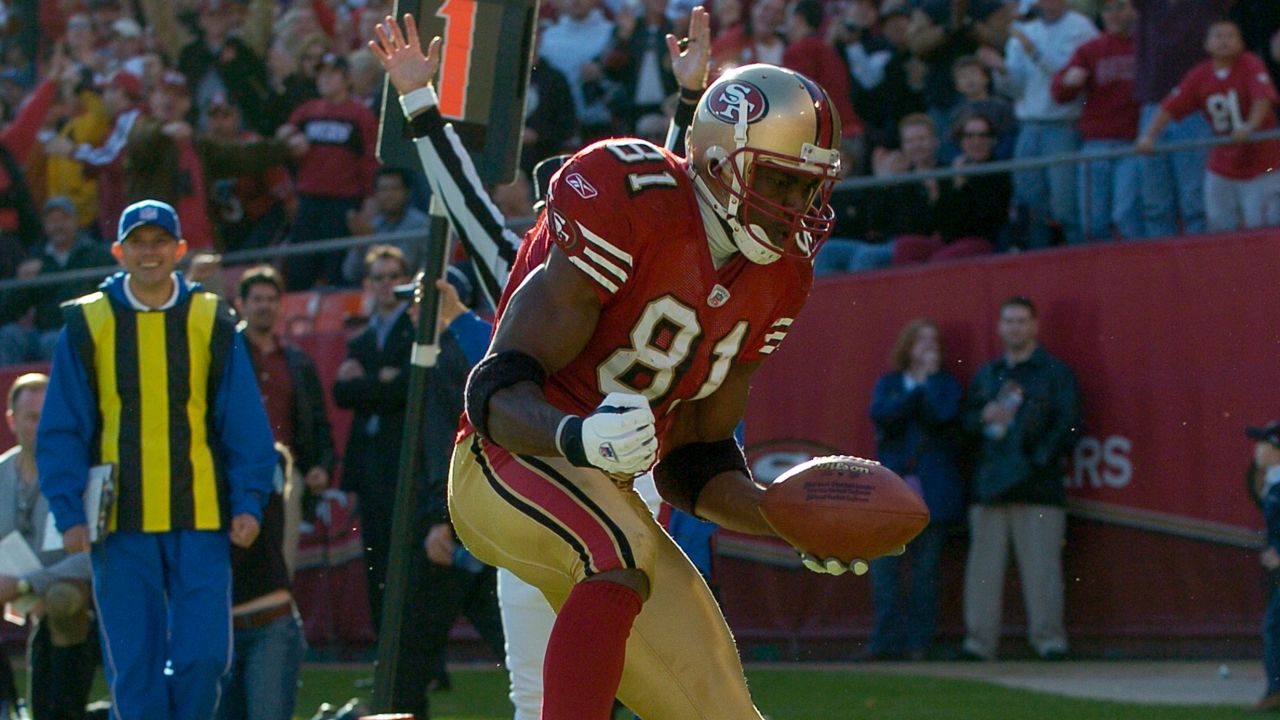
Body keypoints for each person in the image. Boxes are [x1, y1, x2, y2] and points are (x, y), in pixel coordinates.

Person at [370, 11, 853, 719]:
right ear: (719, 165)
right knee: (604, 569)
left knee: (725, 710)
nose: (795, 209)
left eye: (808, 190)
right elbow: (495, 392)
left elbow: (697, 465)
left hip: (621, 492)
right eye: (780, 183)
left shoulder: (780, 280)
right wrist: (578, 438)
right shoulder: (622, 208)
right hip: (511, 461)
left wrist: (788, 521)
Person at [36, 198, 278, 720]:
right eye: (138, 244)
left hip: (202, 515)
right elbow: (62, 426)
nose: (150, 253)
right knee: (134, 663)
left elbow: (243, 421)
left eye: (160, 243)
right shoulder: (88, 322)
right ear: (119, 251)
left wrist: (250, 500)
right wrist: (68, 511)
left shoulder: (211, 319)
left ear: (180, 250)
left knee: (204, 656)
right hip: (119, 521)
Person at [394, 277, 505, 718]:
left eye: (418, 301)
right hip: (477, 516)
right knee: (511, 634)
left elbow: (447, 445)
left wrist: (440, 517)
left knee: (409, 656)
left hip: (453, 524)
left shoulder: (444, 358)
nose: (408, 312)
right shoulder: (459, 355)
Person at [960, 296, 1081, 662]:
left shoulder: (1055, 373)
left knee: (1042, 571)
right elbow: (964, 426)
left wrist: (1037, 459)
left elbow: (1070, 424)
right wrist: (984, 416)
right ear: (1000, 327)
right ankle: (979, 644)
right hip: (991, 486)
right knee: (983, 573)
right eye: (1009, 321)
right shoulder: (987, 373)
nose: (1015, 327)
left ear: (1034, 326)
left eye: (1022, 320)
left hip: (1037, 485)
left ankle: (1049, 641)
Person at [865, 319, 964, 661]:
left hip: (932, 493)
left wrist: (928, 384)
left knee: (926, 573)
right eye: (921, 341)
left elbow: (944, 416)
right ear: (907, 346)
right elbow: (882, 416)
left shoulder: (947, 385)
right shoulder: (890, 384)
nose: (927, 347)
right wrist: (915, 389)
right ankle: (885, 641)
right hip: (892, 492)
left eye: (933, 342)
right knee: (885, 572)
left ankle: (919, 644)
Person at [0, 373, 99, 720]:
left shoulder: (82, 474)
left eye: (49, 415)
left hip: (85, 610)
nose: (42, 427)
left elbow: (93, 556)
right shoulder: (0, 475)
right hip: (29, 607)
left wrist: (27, 583)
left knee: (62, 597)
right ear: (12, 420)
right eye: (32, 417)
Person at [331, 244, 413, 632]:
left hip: (405, 462)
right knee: (377, 561)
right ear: (367, 283)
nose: (386, 285)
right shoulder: (361, 339)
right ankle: (386, 659)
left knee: (410, 561)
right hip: (370, 468)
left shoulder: (416, 331)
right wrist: (381, 380)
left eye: (393, 277)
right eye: (378, 277)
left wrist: (367, 382)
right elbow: (342, 394)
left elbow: (405, 391)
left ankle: (418, 666)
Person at [1136, 20, 1280, 233]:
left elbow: (1262, 98)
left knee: (1259, 224)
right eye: (1218, 36)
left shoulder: (1250, 64)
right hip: (1223, 163)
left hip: (1261, 162)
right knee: (1218, 223)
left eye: (1230, 36)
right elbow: (1170, 106)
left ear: (1241, 42)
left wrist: (1250, 126)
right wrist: (1148, 136)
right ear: (1206, 44)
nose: (1224, 41)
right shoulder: (1200, 74)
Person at [981, 0, 1097, 248]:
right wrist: (1001, 70)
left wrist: (1034, 52)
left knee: (1065, 204)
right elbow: (1015, 88)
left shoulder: (1081, 27)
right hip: (1027, 124)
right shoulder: (1024, 32)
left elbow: (1070, 77)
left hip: (1063, 124)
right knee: (1030, 201)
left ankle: (1081, 254)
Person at [1050, 0, 1143, 241]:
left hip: (1134, 143)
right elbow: (1060, 93)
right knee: (1093, 220)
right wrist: (1068, 82)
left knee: (1126, 215)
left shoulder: (1148, 46)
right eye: (1108, 9)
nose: (1113, 15)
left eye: (1120, 7)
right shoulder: (1091, 49)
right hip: (1096, 143)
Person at [0, 196, 117, 366]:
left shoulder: (96, 255)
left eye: (64, 218)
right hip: (41, 332)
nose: (58, 225)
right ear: (45, 226)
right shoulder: (36, 259)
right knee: (9, 335)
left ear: (75, 222)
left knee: (53, 341)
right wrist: (22, 282)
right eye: (52, 220)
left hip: (83, 332)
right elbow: (10, 310)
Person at [1248, 421, 1280, 712]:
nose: (1258, 450)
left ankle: (1275, 692)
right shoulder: (1272, 481)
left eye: (1264, 444)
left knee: (1273, 626)